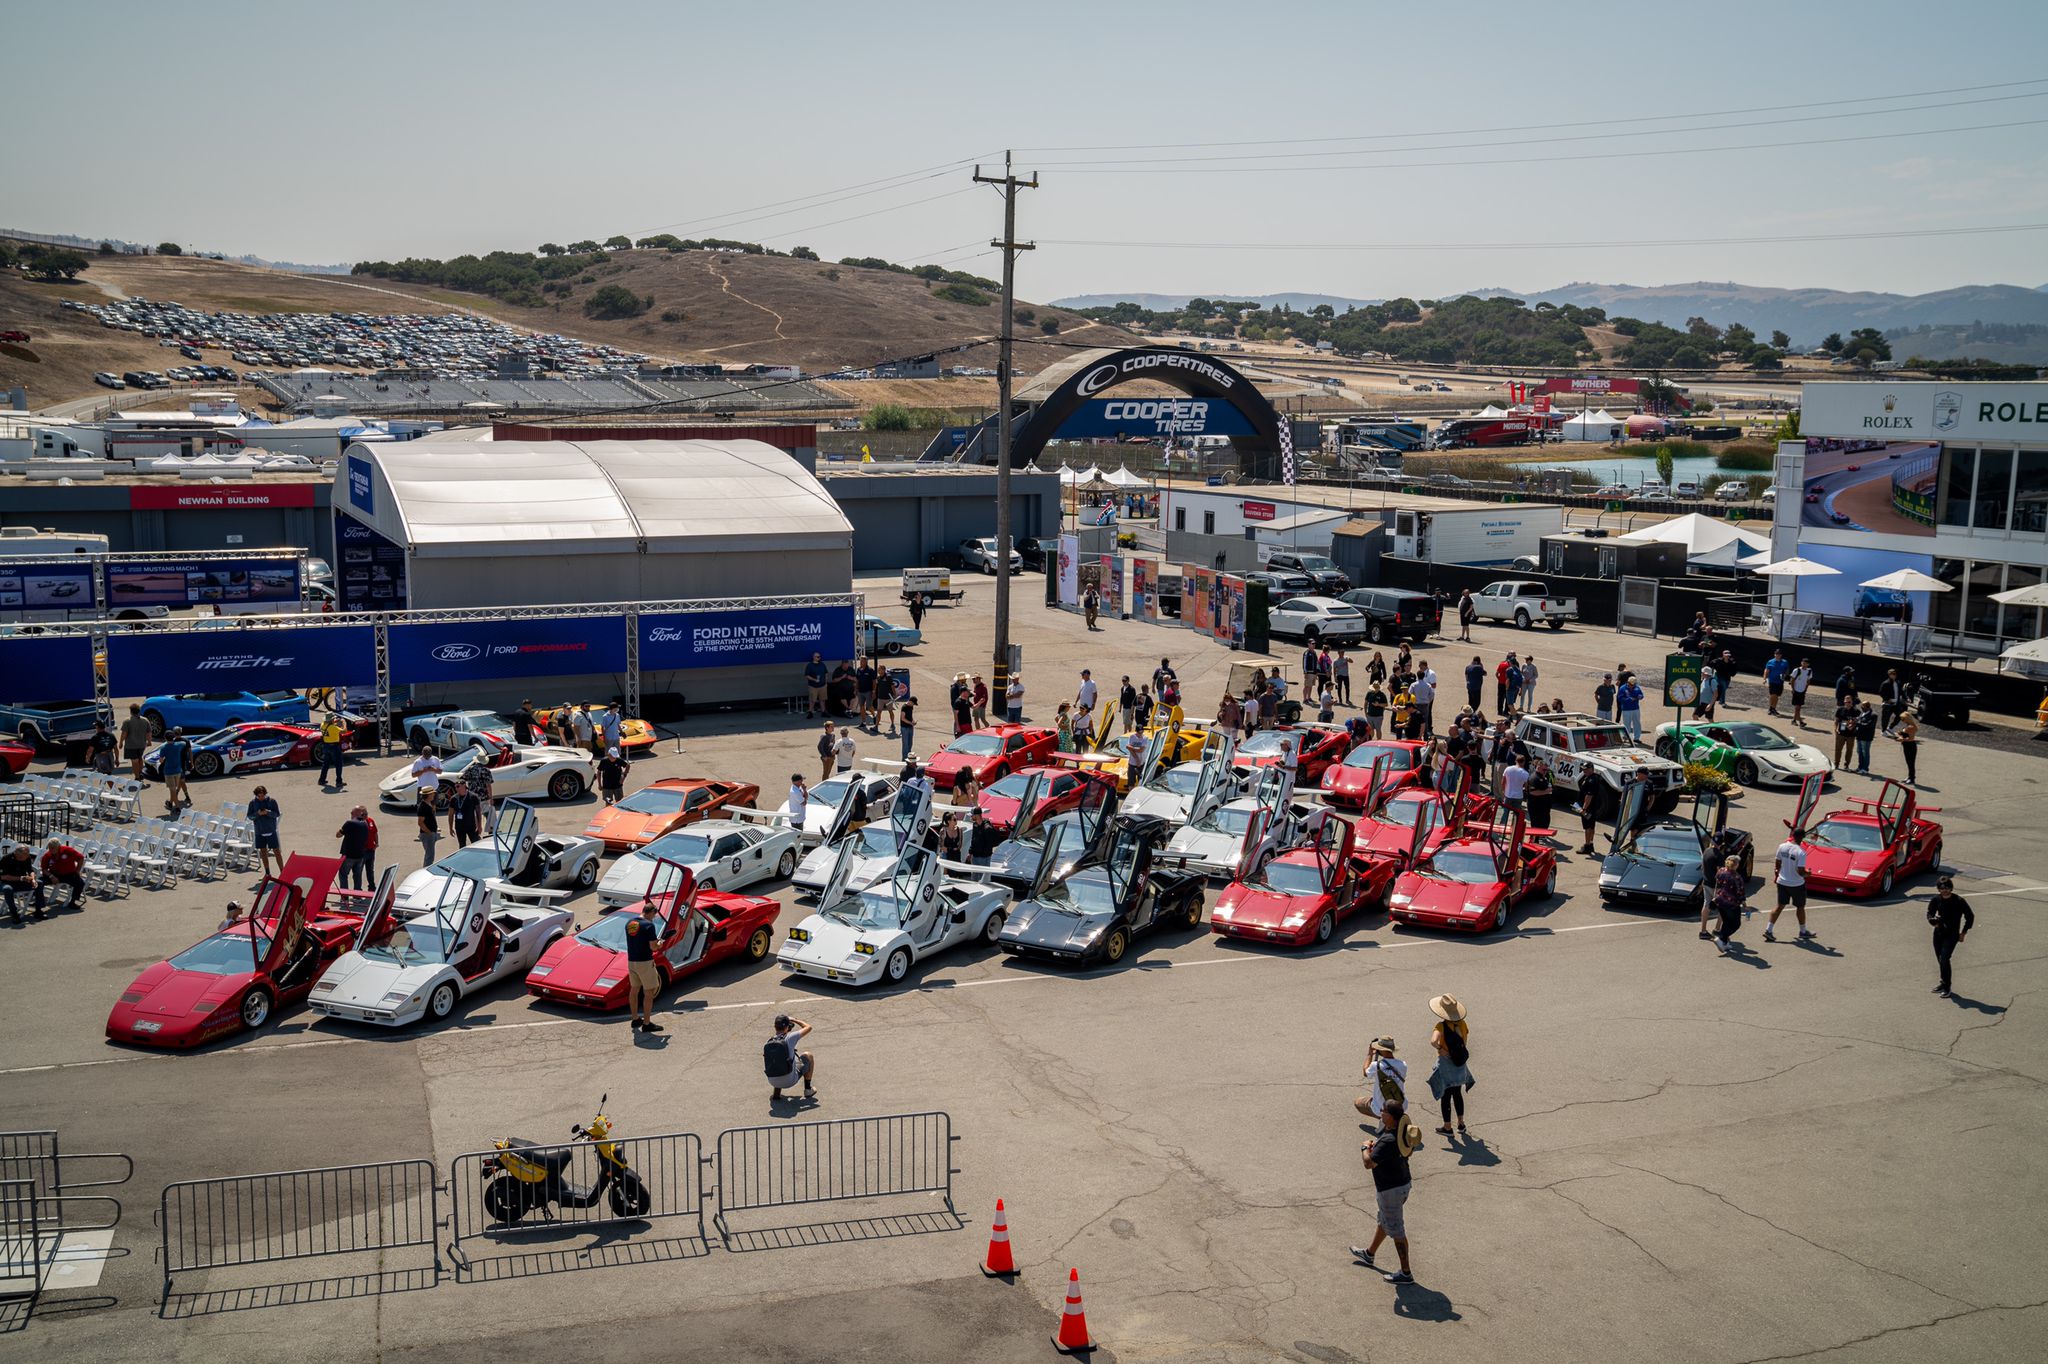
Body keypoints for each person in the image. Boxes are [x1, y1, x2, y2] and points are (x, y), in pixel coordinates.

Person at [1350, 1100, 1416, 1285]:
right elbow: (1407, 1152)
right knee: (1385, 1220)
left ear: (1392, 1117)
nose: (1380, 1111)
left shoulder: (1388, 1140)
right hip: (1403, 1183)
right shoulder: (1401, 1133)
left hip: (1390, 1190)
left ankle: (1406, 1273)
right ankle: (1370, 1254)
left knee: (1397, 1230)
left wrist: (1365, 1148)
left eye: (1384, 1110)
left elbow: (1368, 1163)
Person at [1426, 995, 1473, 1136]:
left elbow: (1433, 1041)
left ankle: (1447, 1127)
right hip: (1460, 1063)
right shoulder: (1463, 1024)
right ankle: (1461, 1124)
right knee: (1457, 1094)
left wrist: (1442, 1049)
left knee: (1446, 1096)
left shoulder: (1441, 1026)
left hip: (1446, 1064)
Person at [1927, 876, 1975, 999]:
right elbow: (1929, 913)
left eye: (1947, 888)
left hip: (1952, 935)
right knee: (1940, 959)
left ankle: (1947, 987)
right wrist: (1933, 921)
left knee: (1944, 959)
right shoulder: (1936, 900)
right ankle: (1943, 983)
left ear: (1951, 888)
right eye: (1942, 888)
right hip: (1938, 934)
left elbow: (1970, 916)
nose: (1945, 890)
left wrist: (1963, 933)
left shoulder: (1959, 901)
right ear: (1938, 889)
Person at [1766, 828, 1815, 944]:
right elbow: (1800, 872)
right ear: (1802, 838)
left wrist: (1779, 874)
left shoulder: (1782, 846)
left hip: (1782, 882)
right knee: (1800, 907)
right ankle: (1803, 931)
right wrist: (1808, 873)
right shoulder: (1801, 852)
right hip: (1796, 884)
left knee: (1779, 906)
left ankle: (1769, 930)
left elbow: (1777, 863)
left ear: (1792, 835)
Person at [624, 897, 664, 1033]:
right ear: (650, 912)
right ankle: (647, 1023)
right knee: (649, 992)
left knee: (634, 990)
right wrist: (659, 944)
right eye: (654, 915)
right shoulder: (649, 925)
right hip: (645, 963)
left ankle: (635, 1019)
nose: (654, 918)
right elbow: (653, 947)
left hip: (632, 961)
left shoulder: (630, 923)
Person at [1355, 1037, 1408, 1120]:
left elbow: (1365, 1072)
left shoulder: (1376, 1065)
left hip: (1380, 1107)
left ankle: (1384, 1118)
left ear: (1381, 1050)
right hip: (1401, 1106)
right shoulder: (1403, 1065)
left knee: (1357, 1102)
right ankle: (1392, 1118)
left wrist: (1370, 1054)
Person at [766, 1014, 816, 1101]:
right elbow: (808, 1027)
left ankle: (776, 1094)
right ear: (787, 1026)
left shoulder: (768, 1042)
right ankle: (808, 1090)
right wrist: (795, 1020)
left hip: (772, 1081)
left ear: (775, 1026)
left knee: (777, 1062)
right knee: (808, 1056)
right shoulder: (790, 1038)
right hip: (789, 1081)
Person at [1709, 847, 1747, 954]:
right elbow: (1740, 892)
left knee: (1726, 922)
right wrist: (1744, 904)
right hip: (1731, 904)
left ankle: (1724, 943)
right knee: (1735, 924)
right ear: (1735, 865)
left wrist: (1714, 896)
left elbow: (1717, 884)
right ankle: (1721, 938)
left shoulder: (1721, 871)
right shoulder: (1737, 877)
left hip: (1719, 901)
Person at [248, 785, 283, 879]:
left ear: (265, 794)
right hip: (259, 831)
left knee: (277, 851)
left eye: (262, 795)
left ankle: (282, 872)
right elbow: (250, 816)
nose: (261, 798)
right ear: (256, 795)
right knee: (263, 852)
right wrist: (257, 814)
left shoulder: (272, 801)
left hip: (271, 830)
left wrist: (268, 812)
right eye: (259, 796)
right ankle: (267, 873)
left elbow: (277, 814)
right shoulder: (252, 803)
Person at [0, 843, 38, 922]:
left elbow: (30, 870)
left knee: (39, 883)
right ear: (18, 855)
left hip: (21, 881)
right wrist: (21, 878)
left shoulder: (26, 857)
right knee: (8, 889)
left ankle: (38, 909)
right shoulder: (6, 859)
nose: (28, 857)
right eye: (25, 855)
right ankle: (14, 913)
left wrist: (33, 879)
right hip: (6, 882)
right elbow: (3, 876)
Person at [336, 807, 372, 891]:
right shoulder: (365, 823)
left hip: (348, 855)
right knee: (357, 875)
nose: (351, 814)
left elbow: (338, 835)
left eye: (352, 813)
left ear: (356, 814)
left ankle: (344, 896)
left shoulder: (349, 823)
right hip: (360, 855)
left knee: (343, 874)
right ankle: (357, 896)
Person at [158, 727, 190, 812]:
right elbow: (183, 742)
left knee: (172, 790)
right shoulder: (179, 745)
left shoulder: (164, 748)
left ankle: (177, 807)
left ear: (165, 738)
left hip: (168, 771)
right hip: (178, 770)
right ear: (173, 737)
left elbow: (161, 760)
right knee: (173, 789)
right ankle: (170, 803)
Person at [316, 711, 349, 790]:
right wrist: (344, 722)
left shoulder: (322, 725)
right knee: (338, 764)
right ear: (331, 720)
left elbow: (330, 724)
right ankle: (339, 781)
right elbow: (344, 731)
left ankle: (322, 780)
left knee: (326, 764)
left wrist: (336, 721)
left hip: (326, 746)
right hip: (334, 747)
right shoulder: (333, 728)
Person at [120, 703, 152, 781]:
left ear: (131, 711)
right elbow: (149, 732)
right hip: (142, 744)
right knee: (139, 759)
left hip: (131, 745)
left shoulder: (127, 721)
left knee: (134, 761)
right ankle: (140, 773)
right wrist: (149, 741)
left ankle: (137, 777)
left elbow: (124, 733)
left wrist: (121, 742)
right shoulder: (145, 720)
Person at [1891, 709, 1921, 785]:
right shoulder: (1908, 725)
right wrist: (1901, 733)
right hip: (1907, 745)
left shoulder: (1911, 727)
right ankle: (1909, 777)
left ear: (1907, 719)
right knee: (1908, 762)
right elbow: (1906, 735)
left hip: (1910, 746)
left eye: (1903, 719)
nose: (1902, 720)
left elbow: (1910, 738)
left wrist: (1901, 739)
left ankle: (1912, 778)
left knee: (1911, 763)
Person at [1525, 758, 1555, 832]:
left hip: (1543, 805)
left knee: (1544, 822)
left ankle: (1540, 835)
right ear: (1538, 768)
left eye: (1546, 770)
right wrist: (1546, 791)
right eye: (1544, 770)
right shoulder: (1534, 778)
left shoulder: (1543, 776)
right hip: (1535, 806)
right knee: (1536, 825)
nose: (1545, 772)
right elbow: (1532, 792)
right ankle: (1534, 839)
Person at [449, 784, 482, 849]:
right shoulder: (454, 798)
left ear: (464, 786)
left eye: (458, 786)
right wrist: (450, 827)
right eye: (455, 787)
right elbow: (450, 814)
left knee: (476, 844)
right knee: (462, 846)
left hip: (471, 826)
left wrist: (479, 825)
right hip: (459, 826)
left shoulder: (473, 797)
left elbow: (478, 812)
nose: (456, 788)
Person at [1832, 694, 1858, 771]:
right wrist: (1835, 729)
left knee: (1849, 750)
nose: (1847, 703)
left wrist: (1853, 725)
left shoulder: (1856, 711)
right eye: (1846, 702)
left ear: (1852, 702)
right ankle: (1836, 763)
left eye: (1849, 702)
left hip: (1851, 735)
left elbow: (1858, 722)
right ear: (1844, 702)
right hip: (1841, 733)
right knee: (1838, 749)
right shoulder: (1840, 710)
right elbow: (1836, 721)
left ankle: (1846, 765)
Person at [1616, 673, 1644, 741]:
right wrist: (1629, 699)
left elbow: (1641, 694)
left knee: (1637, 723)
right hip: (1626, 709)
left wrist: (1640, 696)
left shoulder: (1637, 687)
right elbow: (1620, 698)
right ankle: (1626, 737)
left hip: (1635, 708)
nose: (1632, 686)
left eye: (1633, 684)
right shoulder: (1622, 688)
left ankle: (1637, 738)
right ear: (1628, 682)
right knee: (1626, 724)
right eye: (1631, 684)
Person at [1854, 702, 1879, 774]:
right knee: (1859, 752)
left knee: (1865, 753)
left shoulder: (1873, 715)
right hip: (1859, 736)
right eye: (1861, 706)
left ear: (1868, 707)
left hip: (1866, 737)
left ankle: (1865, 768)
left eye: (1863, 706)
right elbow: (1859, 720)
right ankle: (1860, 767)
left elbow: (1868, 725)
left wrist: (1858, 723)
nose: (1862, 708)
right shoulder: (1862, 713)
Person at [416, 792, 440, 868]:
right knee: (429, 856)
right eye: (432, 794)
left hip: (432, 833)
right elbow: (420, 822)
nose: (434, 795)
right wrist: (429, 833)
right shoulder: (423, 807)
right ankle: (425, 872)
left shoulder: (429, 804)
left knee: (430, 855)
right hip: (427, 835)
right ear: (428, 795)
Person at [1764, 651, 1790, 717]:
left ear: (1781, 655)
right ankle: (1771, 708)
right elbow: (1767, 670)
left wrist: (1785, 674)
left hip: (1780, 681)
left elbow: (1787, 670)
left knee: (1777, 695)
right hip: (1772, 681)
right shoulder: (1770, 662)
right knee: (1773, 694)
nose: (1777, 655)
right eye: (1776, 654)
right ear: (1774, 654)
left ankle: (1773, 708)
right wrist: (1765, 678)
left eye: (1779, 654)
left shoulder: (1785, 662)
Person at [803, 652, 829, 717]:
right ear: (813, 657)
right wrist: (814, 680)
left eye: (819, 656)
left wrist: (826, 683)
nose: (819, 658)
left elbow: (826, 673)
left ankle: (823, 712)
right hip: (813, 686)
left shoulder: (822, 664)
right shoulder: (809, 665)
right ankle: (810, 712)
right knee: (812, 700)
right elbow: (807, 675)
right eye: (817, 657)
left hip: (822, 685)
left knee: (822, 699)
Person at [1789, 659, 1814, 727]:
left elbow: (1808, 680)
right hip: (1796, 690)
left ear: (1808, 664)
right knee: (1797, 707)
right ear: (1801, 663)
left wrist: (1805, 689)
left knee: (1798, 707)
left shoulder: (1809, 671)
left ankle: (1794, 720)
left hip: (1802, 691)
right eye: (1803, 662)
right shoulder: (1796, 670)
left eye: (1806, 663)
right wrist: (1793, 689)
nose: (1804, 664)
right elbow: (1792, 680)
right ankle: (1800, 721)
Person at [874, 669, 898, 736]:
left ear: (884, 670)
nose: (880, 671)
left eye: (881, 670)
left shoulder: (888, 677)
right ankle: (876, 726)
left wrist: (894, 695)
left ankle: (892, 724)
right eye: (879, 670)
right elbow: (876, 686)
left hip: (888, 698)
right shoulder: (878, 678)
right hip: (880, 698)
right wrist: (874, 693)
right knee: (879, 712)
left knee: (890, 711)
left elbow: (892, 686)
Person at [855, 658, 877, 729]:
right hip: (860, 691)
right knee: (861, 706)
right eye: (860, 661)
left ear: (866, 662)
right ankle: (863, 722)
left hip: (868, 691)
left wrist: (873, 691)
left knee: (869, 706)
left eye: (862, 661)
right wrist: (856, 689)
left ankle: (874, 715)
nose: (861, 662)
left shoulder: (870, 670)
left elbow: (874, 681)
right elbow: (857, 680)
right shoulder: (858, 670)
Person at [899, 694, 918, 761]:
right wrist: (910, 723)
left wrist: (913, 721)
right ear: (910, 702)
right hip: (904, 728)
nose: (913, 705)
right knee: (905, 744)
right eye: (913, 703)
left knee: (910, 743)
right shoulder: (904, 707)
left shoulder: (911, 707)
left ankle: (909, 757)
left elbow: (910, 716)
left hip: (910, 727)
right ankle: (904, 758)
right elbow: (903, 718)